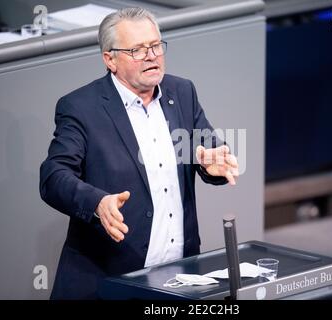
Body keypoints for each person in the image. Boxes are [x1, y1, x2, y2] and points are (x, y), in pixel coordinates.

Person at [39, 7, 239, 300]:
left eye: (156, 45)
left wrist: (211, 162)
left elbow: (208, 150)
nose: (152, 55)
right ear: (110, 59)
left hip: (177, 278)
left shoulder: (181, 93)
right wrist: (97, 203)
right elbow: (53, 177)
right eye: (137, 50)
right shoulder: (82, 108)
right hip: (108, 280)